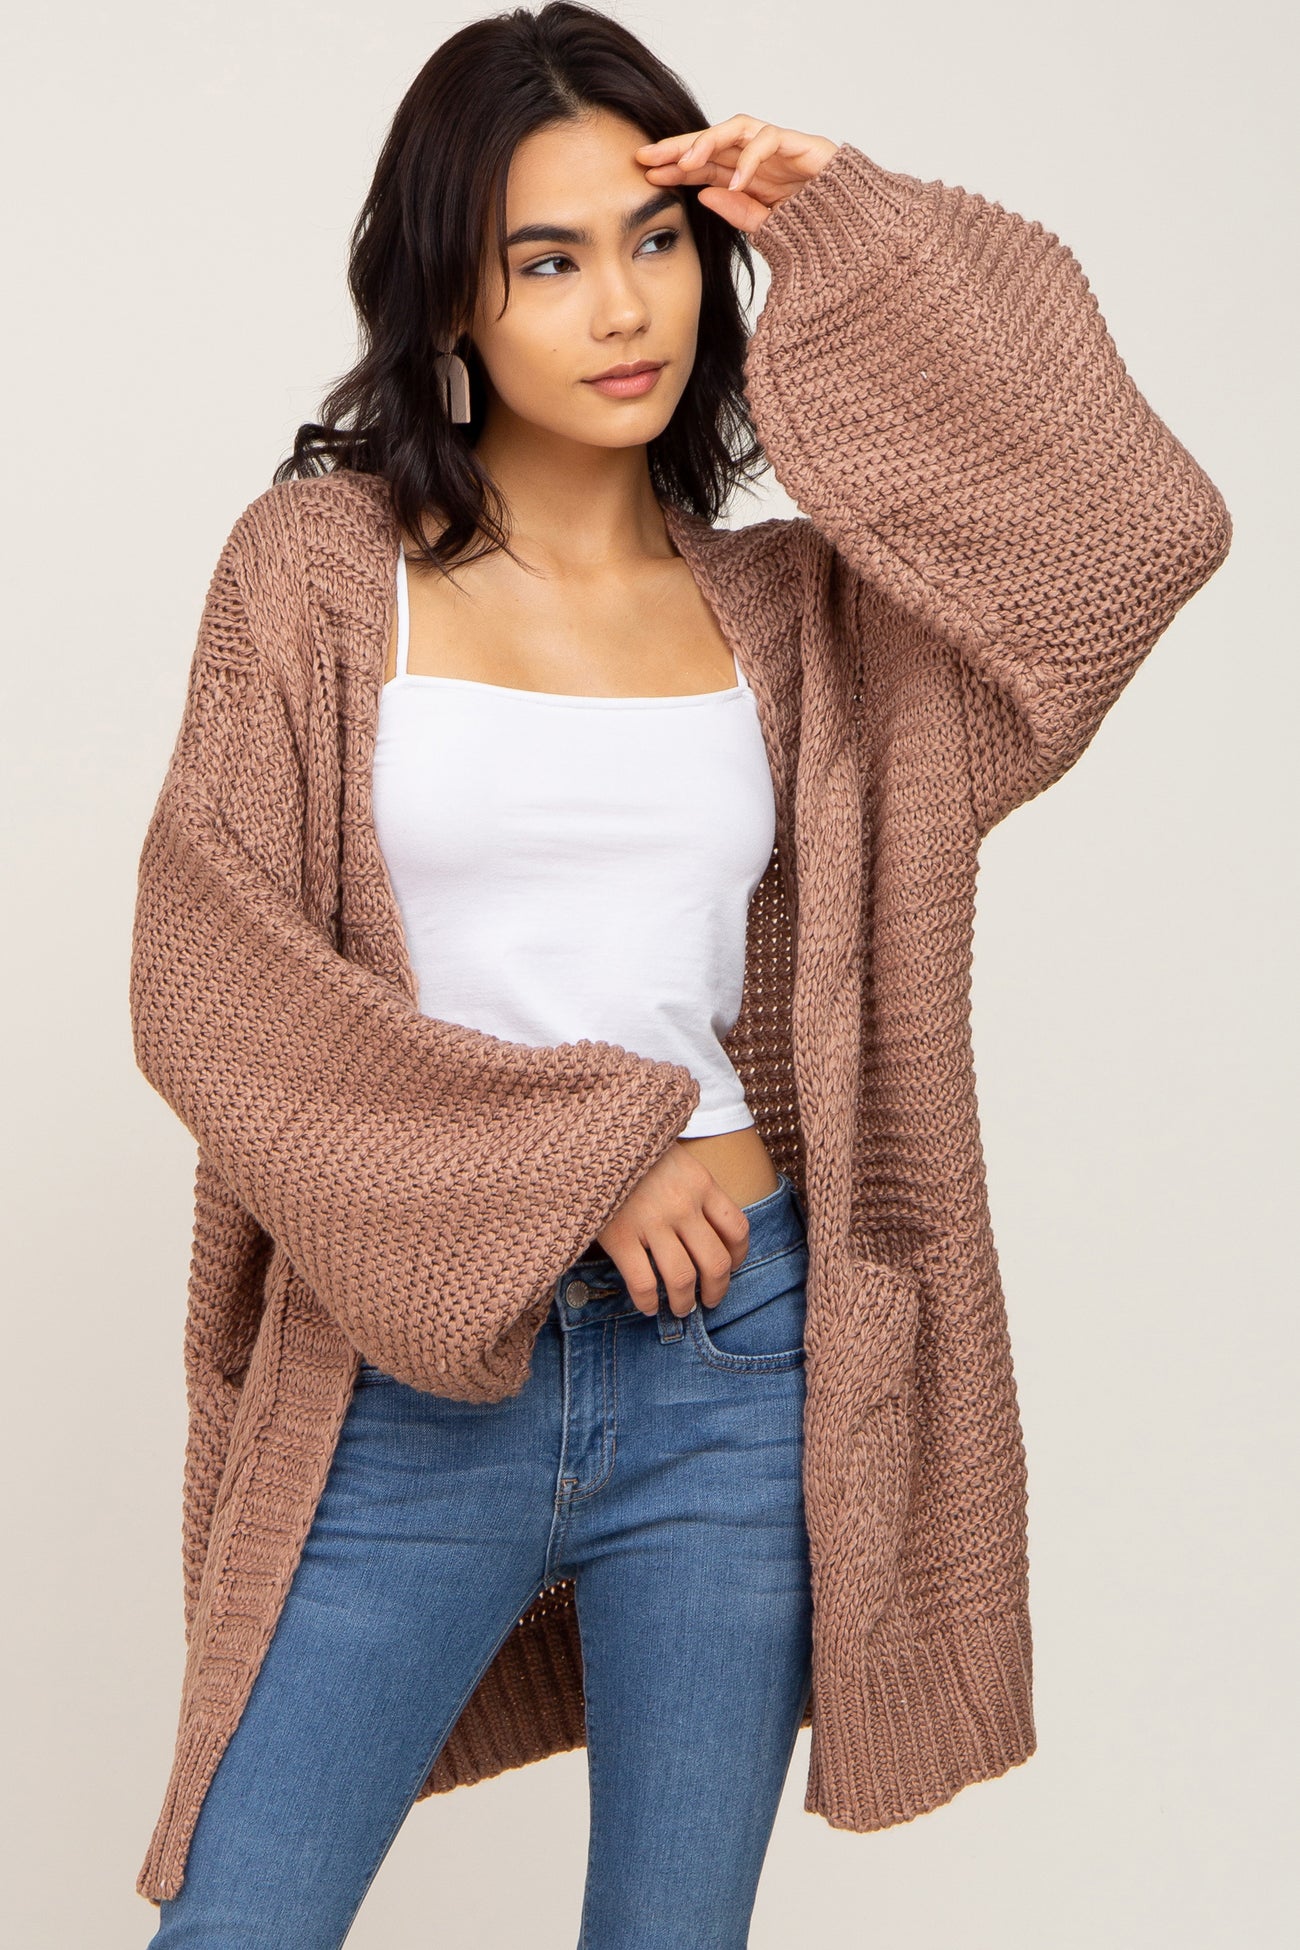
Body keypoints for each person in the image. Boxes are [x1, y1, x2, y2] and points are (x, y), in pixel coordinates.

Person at [134, 5, 1230, 1946]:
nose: (623, 306)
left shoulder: (803, 620)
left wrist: (847, 221)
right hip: (418, 1368)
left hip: (742, 1362)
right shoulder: (316, 572)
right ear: (449, 302)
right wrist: (582, 1153)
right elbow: (210, 972)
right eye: (547, 261)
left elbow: (1132, 533)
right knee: (242, 1923)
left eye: (653, 243)